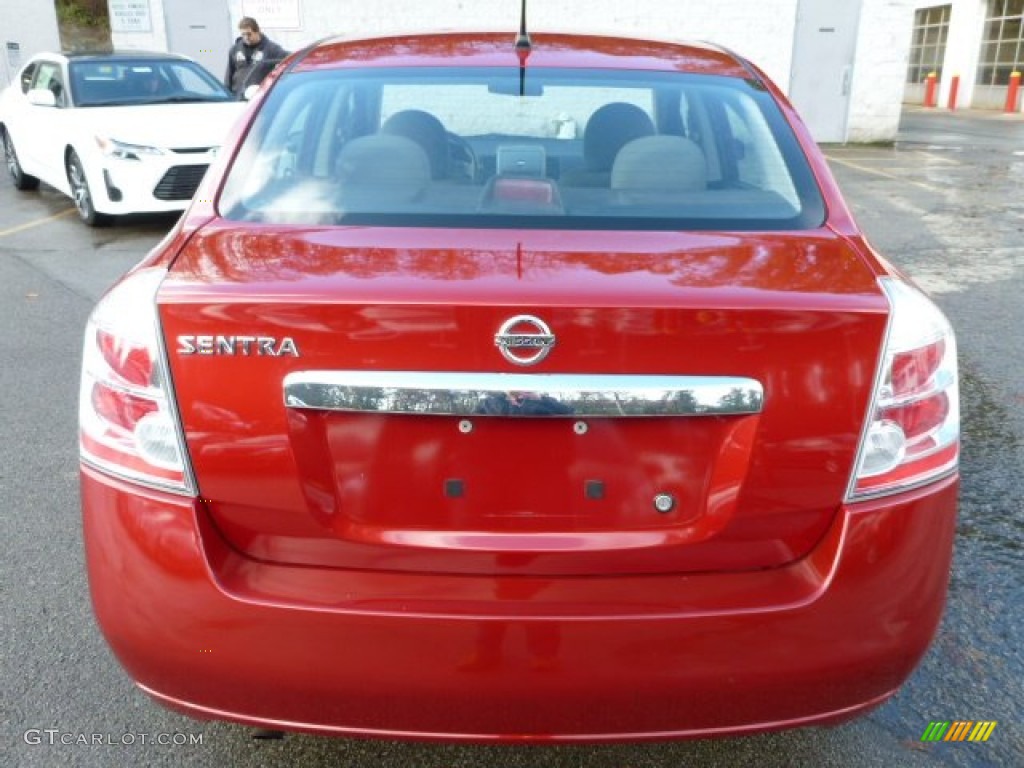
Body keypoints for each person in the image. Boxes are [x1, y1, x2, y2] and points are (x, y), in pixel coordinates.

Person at [225, 17, 288, 97]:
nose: (246, 37)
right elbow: (229, 75)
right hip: (238, 96)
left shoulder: (271, 49)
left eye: (249, 34)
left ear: (257, 31)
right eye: (243, 34)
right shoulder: (235, 50)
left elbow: (289, 59)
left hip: (260, 97)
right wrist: (227, 94)